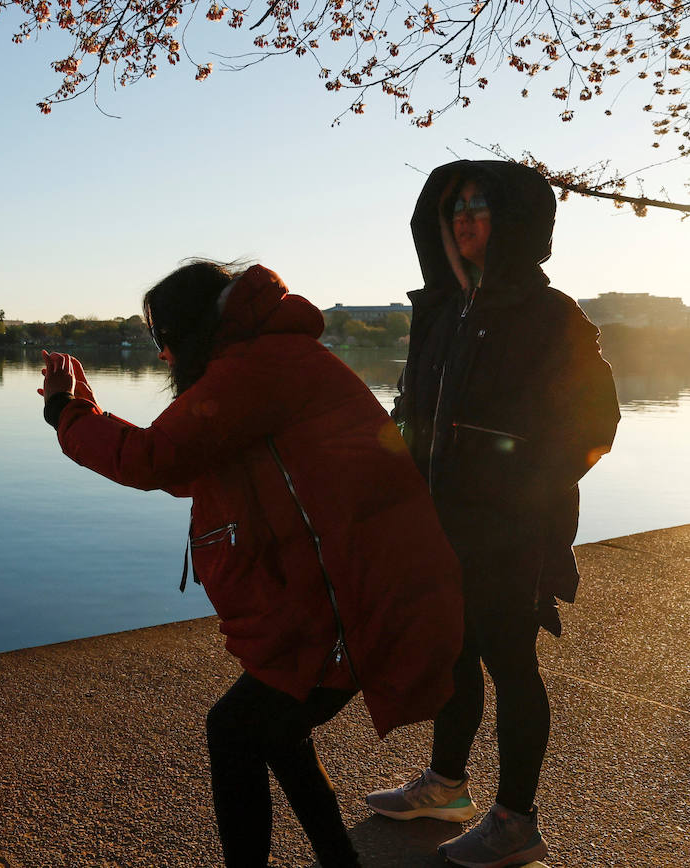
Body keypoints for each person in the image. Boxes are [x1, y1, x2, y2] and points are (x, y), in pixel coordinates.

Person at [38, 261, 465, 868]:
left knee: (235, 730)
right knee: (277, 732)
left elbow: (155, 459)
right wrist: (83, 410)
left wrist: (66, 414)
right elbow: (191, 467)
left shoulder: (255, 368)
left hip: (357, 591)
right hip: (361, 579)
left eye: (165, 341)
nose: (163, 358)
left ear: (191, 330)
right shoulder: (268, 357)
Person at [366, 161, 620, 868]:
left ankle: (517, 821)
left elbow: (596, 419)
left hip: (514, 526)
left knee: (511, 660)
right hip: (440, 519)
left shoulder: (549, 314)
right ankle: (447, 785)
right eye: (454, 209)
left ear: (516, 222)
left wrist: (520, 488)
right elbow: (416, 409)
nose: (464, 218)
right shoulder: (447, 309)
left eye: (479, 205)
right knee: (454, 649)